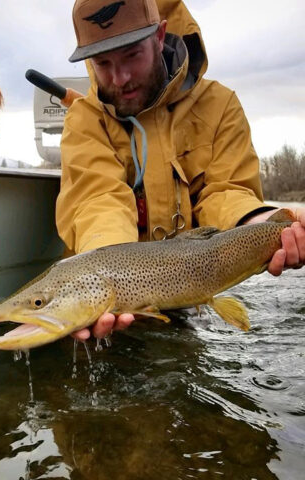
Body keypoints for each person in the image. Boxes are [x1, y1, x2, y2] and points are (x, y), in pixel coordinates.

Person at [55, 0, 305, 341]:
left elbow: (227, 190)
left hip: (192, 298)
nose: (120, 77)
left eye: (131, 55)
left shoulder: (220, 106)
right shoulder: (84, 120)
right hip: (114, 303)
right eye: (102, 62)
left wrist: (262, 223)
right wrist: (105, 283)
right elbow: (97, 201)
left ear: (160, 36)